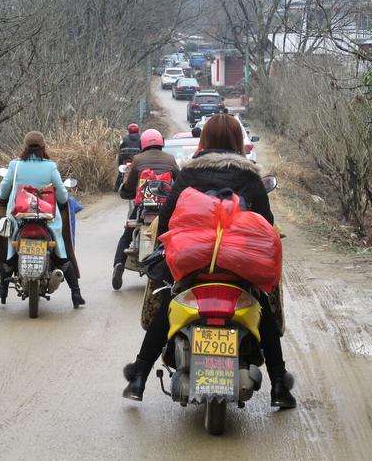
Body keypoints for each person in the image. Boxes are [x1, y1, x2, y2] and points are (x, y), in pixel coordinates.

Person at [121, 115, 296, 409]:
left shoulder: (190, 174)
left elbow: (166, 221)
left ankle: (139, 375)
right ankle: (279, 384)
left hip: (195, 262)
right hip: (238, 264)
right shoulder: (250, 176)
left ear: (205, 142)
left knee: (169, 299)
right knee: (263, 304)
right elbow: (266, 222)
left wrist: (171, 244)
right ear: (238, 142)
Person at [0, 131, 85, 308]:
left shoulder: (15, 166)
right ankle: (76, 293)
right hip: (47, 221)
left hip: (19, 219)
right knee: (61, 253)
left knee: (9, 251)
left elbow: (3, 192)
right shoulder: (50, 167)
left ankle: (3, 289)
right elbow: (62, 196)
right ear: (43, 147)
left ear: (25, 147)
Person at [112, 128, 179, 290]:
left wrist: (126, 190)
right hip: (165, 209)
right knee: (175, 234)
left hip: (143, 207)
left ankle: (118, 265)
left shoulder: (137, 159)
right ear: (161, 143)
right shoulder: (170, 159)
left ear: (143, 143)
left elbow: (129, 185)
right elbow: (179, 182)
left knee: (127, 234)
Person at [114, 124, 142, 192]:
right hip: (137, 159)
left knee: (121, 171)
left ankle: (116, 187)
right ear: (137, 130)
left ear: (129, 130)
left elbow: (120, 147)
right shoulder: (141, 138)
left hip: (126, 158)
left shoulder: (125, 138)